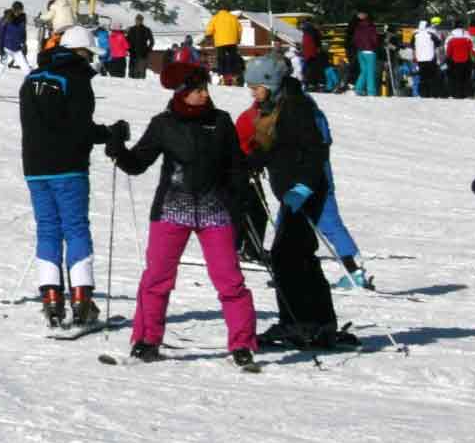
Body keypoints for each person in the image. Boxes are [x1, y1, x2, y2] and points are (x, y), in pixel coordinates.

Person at [108, 60, 257, 367]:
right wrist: (117, 149)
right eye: (197, 90)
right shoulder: (163, 124)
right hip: (171, 210)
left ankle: (242, 344)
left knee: (230, 280)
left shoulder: (221, 121)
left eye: (205, 89)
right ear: (181, 93)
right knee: (157, 278)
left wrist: (240, 203)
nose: (205, 94)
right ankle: (147, 340)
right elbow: (137, 164)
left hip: (215, 210)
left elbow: (236, 167)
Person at [242, 56, 353, 347]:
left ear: (270, 83)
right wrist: (249, 164)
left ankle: (298, 323)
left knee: (286, 256)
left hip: (304, 192)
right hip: (293, 192)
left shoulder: (296, 107)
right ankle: (318, 323)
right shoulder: (277, 106)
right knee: (299, 256)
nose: (252, 92)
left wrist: (304, 186)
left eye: (255, 86)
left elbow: (315, 150)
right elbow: (276, 149)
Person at [19, 25, 125, 327]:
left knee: (48, 230)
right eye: (89, 54)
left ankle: (51, 300)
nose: (90, 60)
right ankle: (81, 301)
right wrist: (109, 133)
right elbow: (80, 128)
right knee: (76, 228)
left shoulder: (31, 78)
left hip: (35, 168)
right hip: (68, 166)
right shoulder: (76, 79)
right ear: (80, 51)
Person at [351, 11, 380, 96]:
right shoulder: (371, 27)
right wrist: (375, 46)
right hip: (370, 51)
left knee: (364, 71)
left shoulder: (358, 27)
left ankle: (358, 89)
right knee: (370, 72)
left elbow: (355, 39)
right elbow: (375, 40)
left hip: (360, 51)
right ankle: (371, 91)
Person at [412, 20, 443, 99]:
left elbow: (412, 45)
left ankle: (424, 93)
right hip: (431, 58)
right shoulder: (430, 34)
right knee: (432, 76)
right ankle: (433, 93)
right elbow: (438, 43)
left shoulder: (415, 34)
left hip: (420, 59)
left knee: (423, 77)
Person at [446, 20, 473, 99]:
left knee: (456, 78)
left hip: (455, 61)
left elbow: (448, 51)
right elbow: (471, 48)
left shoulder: (451, 36)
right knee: (466, 77)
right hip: (466, 60)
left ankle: (457, 94)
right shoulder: (467, 35)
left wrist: (448, 59)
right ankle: (467, 93)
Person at [299, 18, 326, 90]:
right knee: (313, 68)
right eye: (320, 26)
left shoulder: (307, 30)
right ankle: (312, 84)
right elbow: (317, 41)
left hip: (307, 52)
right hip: (312, 52)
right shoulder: (313, 30)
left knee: (309, 68)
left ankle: (308, 83)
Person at [127, 14, 154, 80]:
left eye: (140, 20)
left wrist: (148, 50)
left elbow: (152, 41)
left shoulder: (146, 29)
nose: (138, 21)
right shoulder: (131, 29)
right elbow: (127, 40)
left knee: (141, 74)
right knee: (131, 73)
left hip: (142, 54)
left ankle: (141, 85)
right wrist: (128, 49)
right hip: (133, 54)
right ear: (135, 20)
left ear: (142, 21)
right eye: (137, 19)